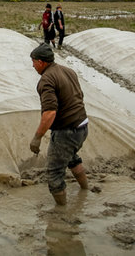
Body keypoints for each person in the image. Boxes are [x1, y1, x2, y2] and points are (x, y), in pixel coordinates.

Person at [28, 42, 89, 205]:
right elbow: (79, 96)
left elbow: (49, 113)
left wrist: (37, 137)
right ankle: (85, 191)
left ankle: (61, 215)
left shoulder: (46, 80)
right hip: (82, 125)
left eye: (33, 62)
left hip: (67, 131)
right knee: (71, 157)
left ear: (41, 62)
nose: (32, 65)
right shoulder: (68, 71)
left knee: (54, 172)